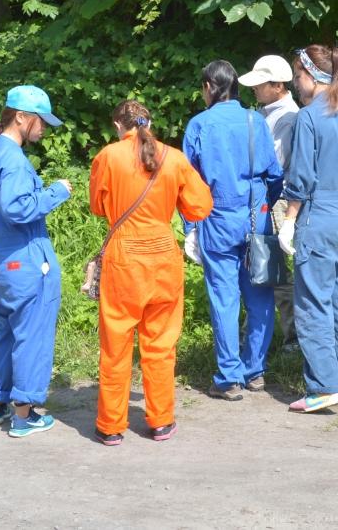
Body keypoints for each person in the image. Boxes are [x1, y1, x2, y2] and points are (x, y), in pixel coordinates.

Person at [89, 100, 213, 446]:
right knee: (160, 345)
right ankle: (161, 421)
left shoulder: (109, 156)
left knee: (116, 345)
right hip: (163, 258)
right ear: (150, 123)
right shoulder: (174, 157)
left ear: (119, 125)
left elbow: (97, 206)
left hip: (124, 259)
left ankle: (110, 425)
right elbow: (201, 207)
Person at [0, 85, 72, 437]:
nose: (44, 128)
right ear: (21, 117)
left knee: (7, 333)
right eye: (40, 121)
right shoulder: (13, 159)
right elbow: (17, 208)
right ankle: (25, 415)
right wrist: (56, 192)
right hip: (26, 259)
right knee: (32, 335)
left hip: (1, 260)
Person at [278, 45, 338, 413]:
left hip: (319, 218)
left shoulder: (308, 118)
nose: (296, 84)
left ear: (311, 76)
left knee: (312, 304)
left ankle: (322, 387)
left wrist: (290, 220)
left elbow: (301, 176)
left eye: (297, 76)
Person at [183, 59, 283, 400]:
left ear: (209, 87)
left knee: (224, 298)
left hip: (216, 218)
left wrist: (190, 227)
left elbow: (188, 182)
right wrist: (263, 206)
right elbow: (274, 175)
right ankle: (255, 370)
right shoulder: (256, 121)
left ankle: (229, 377)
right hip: (256, 217)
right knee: (261, 295)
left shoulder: (199, 124)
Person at [238, 54, 300, 350]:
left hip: (278, 200)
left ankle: (293, 338)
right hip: (266, 198)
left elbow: (274, 162)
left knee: (275, 271)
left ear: (278, 85)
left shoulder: (288, 117)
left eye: (260, 84)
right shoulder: (267, 113)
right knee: (262, 266)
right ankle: (255, 334)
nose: (254, 88)